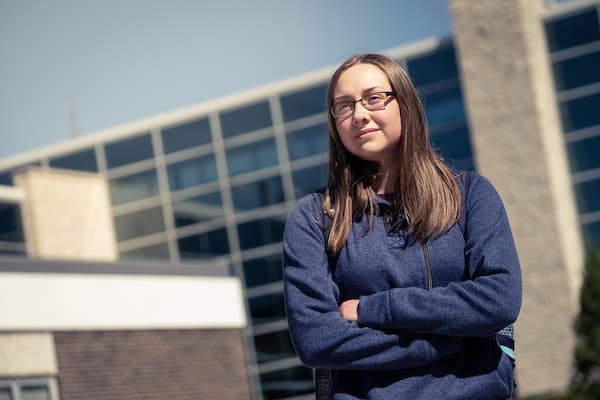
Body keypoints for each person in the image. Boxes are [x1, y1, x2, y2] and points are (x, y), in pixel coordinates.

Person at [282, 53, 522, 400]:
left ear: (405, 104)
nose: (359, 115)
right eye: (344, 106)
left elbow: (499, 300)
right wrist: (455, 338)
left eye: (374, 98)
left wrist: (372, 309)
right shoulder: (314, 218)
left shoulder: (470, 196)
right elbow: (317, 340)